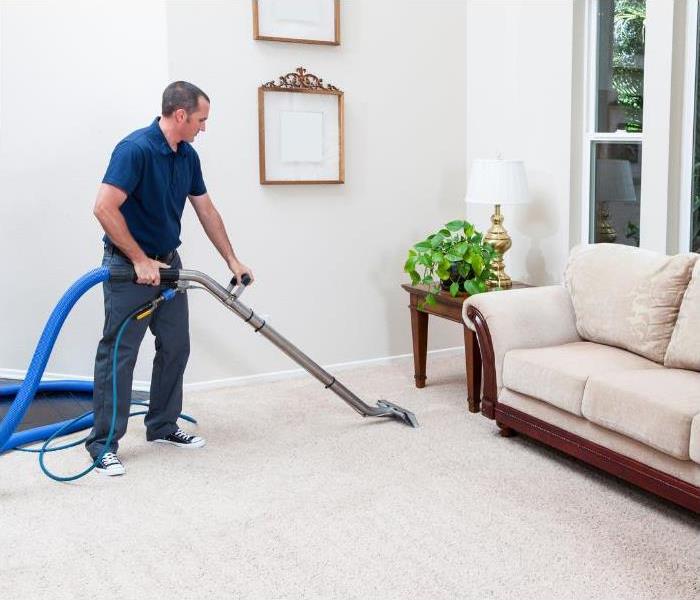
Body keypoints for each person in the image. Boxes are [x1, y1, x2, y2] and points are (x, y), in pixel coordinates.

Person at [86, 81, 253, 476]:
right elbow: (103, 208)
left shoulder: (187, 156)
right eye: (201, 119)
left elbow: (206, 210)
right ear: (180, 115)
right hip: (130, 269)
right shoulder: (135, 150)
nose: (203, 127)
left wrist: (232, 259)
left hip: (169, 266)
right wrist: (139, 259)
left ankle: (161, 425)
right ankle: (102, 444)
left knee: (176, 345)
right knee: (120, 355)